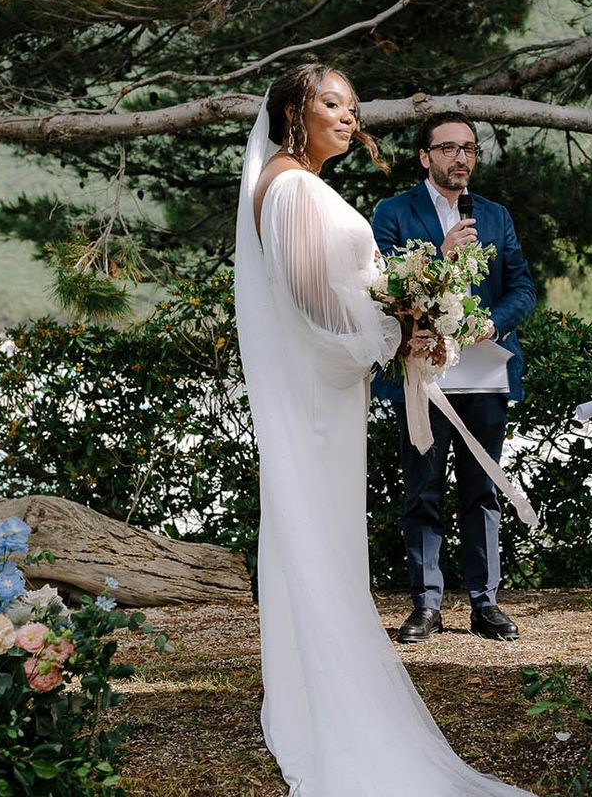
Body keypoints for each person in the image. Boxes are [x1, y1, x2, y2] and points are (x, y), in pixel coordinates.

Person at [234, 65, 531, 796]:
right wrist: (396, 329)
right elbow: (310, 300)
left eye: (354, 107)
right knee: (320, 532)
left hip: (326, 391)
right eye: (333, 104)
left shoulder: (294, 183)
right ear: (293, 112)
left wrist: (398, 322)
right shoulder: (292, 189)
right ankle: (331, 705)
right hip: (318, 396)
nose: (349, 117)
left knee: (320, 534)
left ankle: (316, 691)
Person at [371, 112, 536, 644]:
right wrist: (440, 260)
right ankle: (427, 604)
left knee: (481, 488)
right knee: (422, 490)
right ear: (425, 157)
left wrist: (493, 322)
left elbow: (523, 289)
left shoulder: (494, 216)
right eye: (448, 148)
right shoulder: (394, 213)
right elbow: (380, 286)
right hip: (423, 373)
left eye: (468, 148)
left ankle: (485, 603)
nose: (461, 157)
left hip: (484, 370)